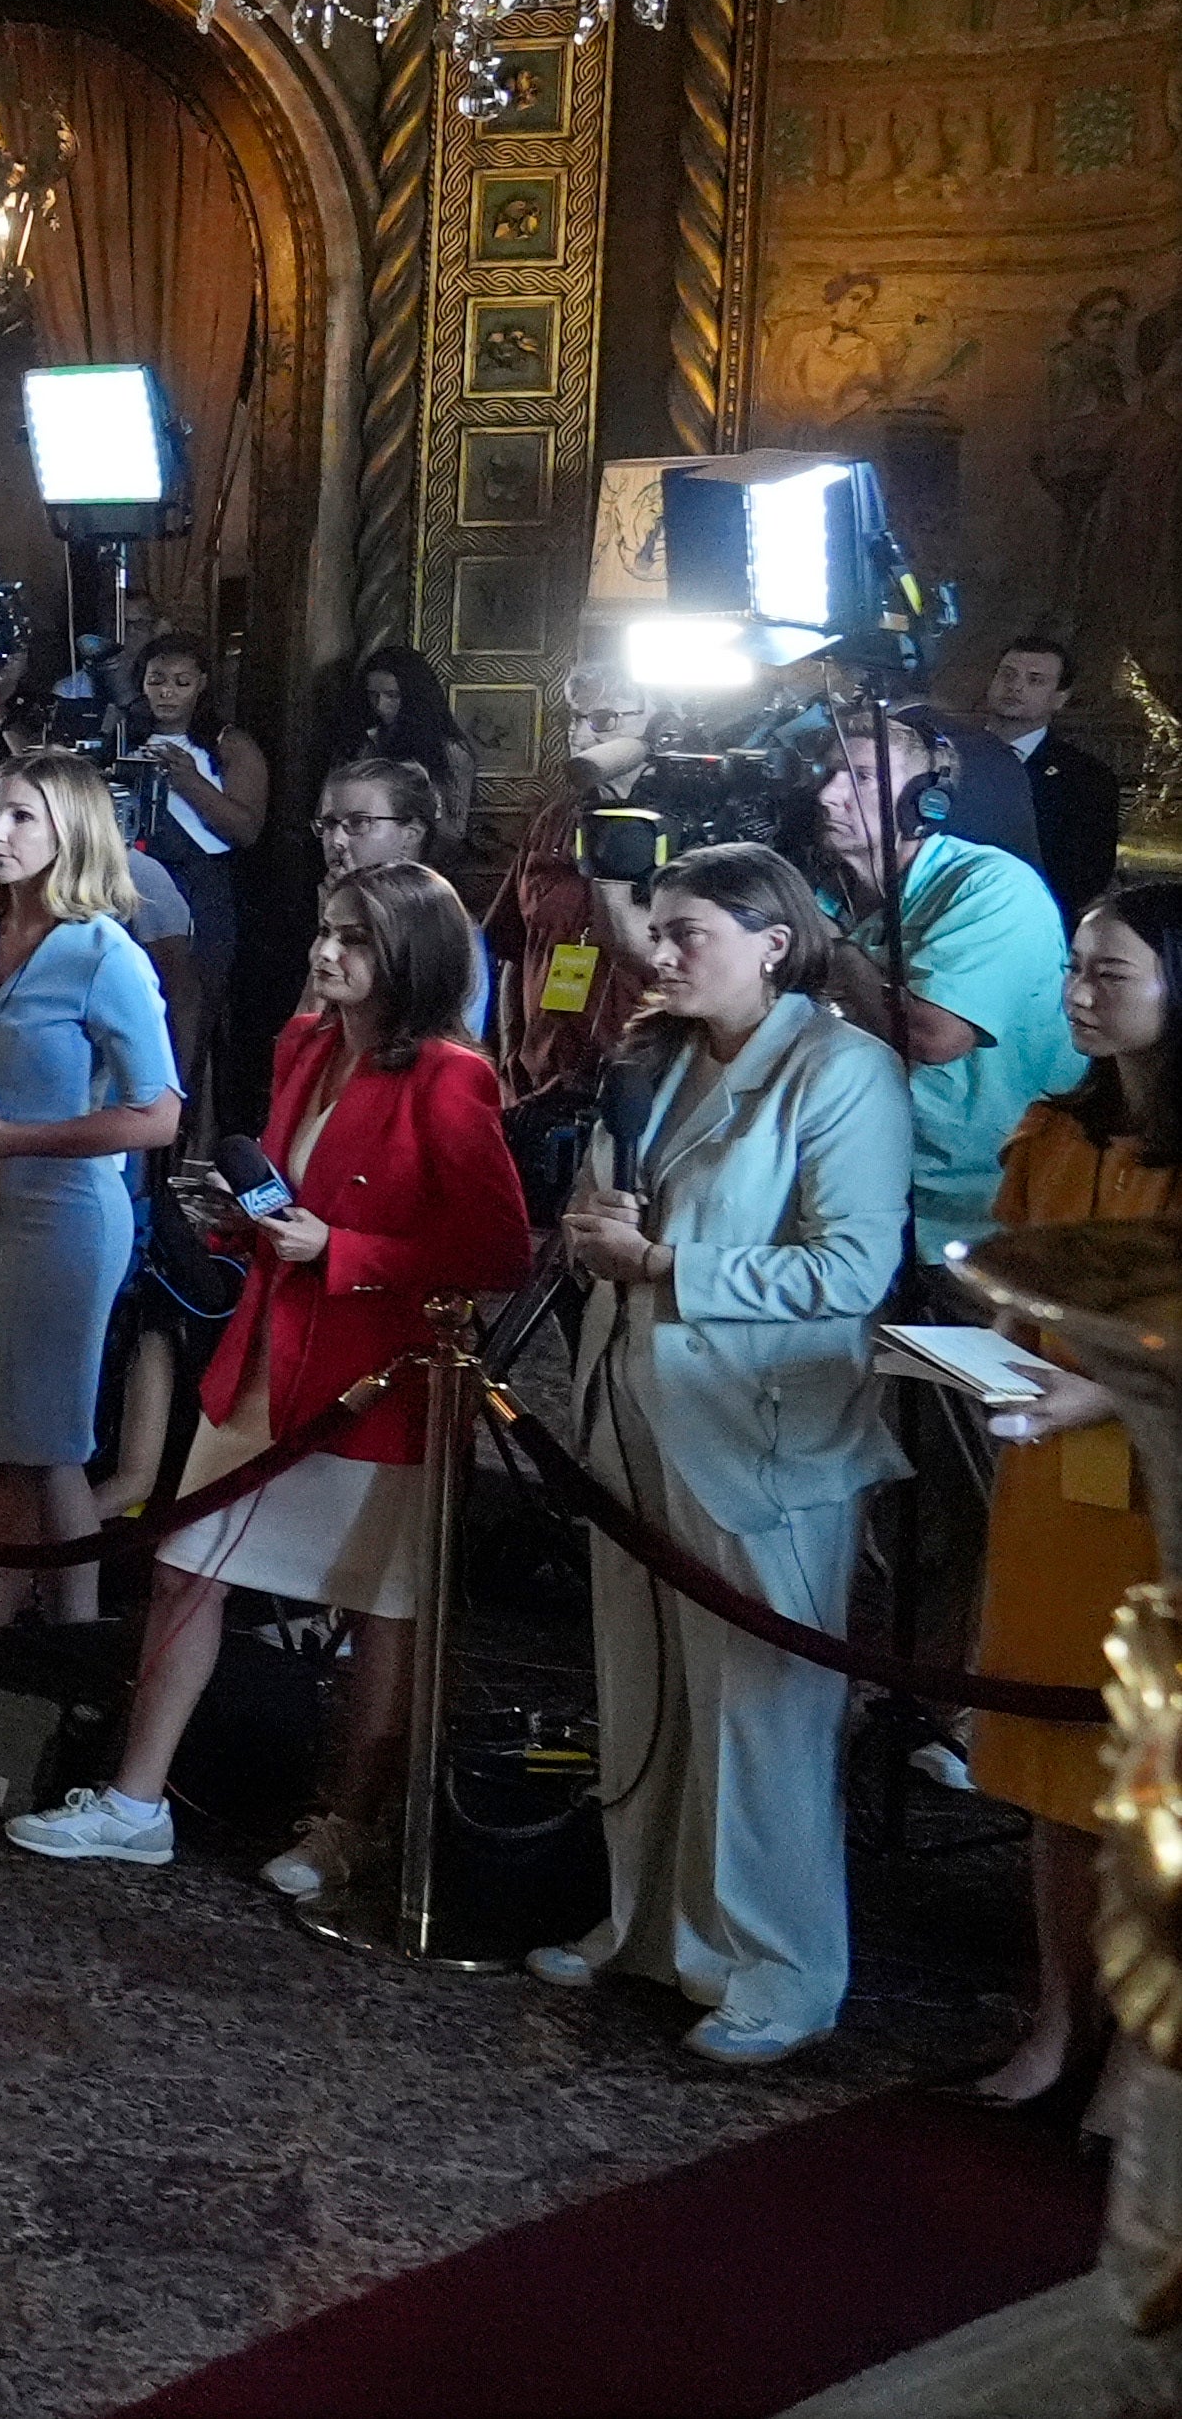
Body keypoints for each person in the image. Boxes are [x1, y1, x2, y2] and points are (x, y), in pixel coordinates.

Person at [6, 863, 532, 1885]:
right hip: (261, 1357)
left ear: (409, 959)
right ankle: (134, 1798)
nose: (323, 950)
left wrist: (339, 1247)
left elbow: (495, 1249)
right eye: (324, 928)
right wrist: (250, 1228)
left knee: (378, 1607)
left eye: (353, 938)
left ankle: (348, 1821)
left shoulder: (449, 1075)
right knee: (182, 1569)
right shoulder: (303, 1044)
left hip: (368, 1382)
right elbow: (295, 1193)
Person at [536, 844, 913, 2063]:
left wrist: (670, 1267)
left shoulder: (840, 1070)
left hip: (757, 1428)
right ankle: (645, 1923)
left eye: (687, 930)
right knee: (640, 1673)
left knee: (760, 1707)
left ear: (770, 939)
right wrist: (589, 1230)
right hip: (632, 1401)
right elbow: (604, 1199)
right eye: (657, 929)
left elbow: (849, 1267)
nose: (659, 952)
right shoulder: (652, 1058)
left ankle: (778, 1964)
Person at [955, 881, 1182, 2120]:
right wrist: (993, 1350)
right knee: (1050, 1766)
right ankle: (1056, 2015)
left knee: (1146, 1775)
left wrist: (1098, 1395)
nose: (1078, 996)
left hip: (1157, 1487)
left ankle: (1145, 2059)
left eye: (1110, 975)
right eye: (1076, 971)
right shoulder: (1054, 1128)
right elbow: (1014, 1288)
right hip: (1048, 1481)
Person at [0, 752, 182, 1643]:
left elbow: (158, 1115)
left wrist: (13, 1140)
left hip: (61, 1222)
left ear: (72, 835)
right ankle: (28, 1656)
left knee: (41, 1451)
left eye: (22, 818)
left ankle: (25, 1658)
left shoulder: (105, 956)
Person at [811, 705, 1084, 1271]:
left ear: (925, 801)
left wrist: (834, 948)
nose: (828, 795)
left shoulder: (990, 886)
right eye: (827, 774)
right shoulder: (828, 894)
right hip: (856, 1200)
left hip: (978, 1227)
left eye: (859, 777)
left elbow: (934, 1037)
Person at [483, 662, 658, 1102]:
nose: (578, 739)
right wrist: (509, 1057)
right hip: (539, 1079)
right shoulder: (556, 819)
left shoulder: (697, 829)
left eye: (601, 721)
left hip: (641, 1085)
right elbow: (511, 948)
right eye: (573, 720)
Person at [124, 633, 268, 1085]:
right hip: (135, 881)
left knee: (193, 1012)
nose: (167, 692)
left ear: (203, 684)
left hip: (202, 884)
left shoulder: (228, 744)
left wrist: (188, 781)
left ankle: (182, 1127)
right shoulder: (124, 735)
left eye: (182, 682)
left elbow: (246, 830)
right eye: (157, 680)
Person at [307, 759, 491, 1042]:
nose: (337, 840)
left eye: (358, 823)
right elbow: (308, 1035)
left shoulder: (443, 928)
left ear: (411, 835)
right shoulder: (332, 912)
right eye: (330, 824)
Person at [990, 636, 1125, 928]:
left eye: (1035, 680)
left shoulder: (1087, 779)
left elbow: (1086, 877)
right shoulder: (948, 753)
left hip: (1031, 923)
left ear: (1060, 698)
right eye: (1007, 674)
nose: (1016, 686)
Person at [336, 644, 479, 859]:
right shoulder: (363, 740)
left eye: (392, 695)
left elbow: (454, 830)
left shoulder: (449, 750)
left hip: (420, 862)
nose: (380, 705)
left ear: (415, 696)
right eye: (373, 695)